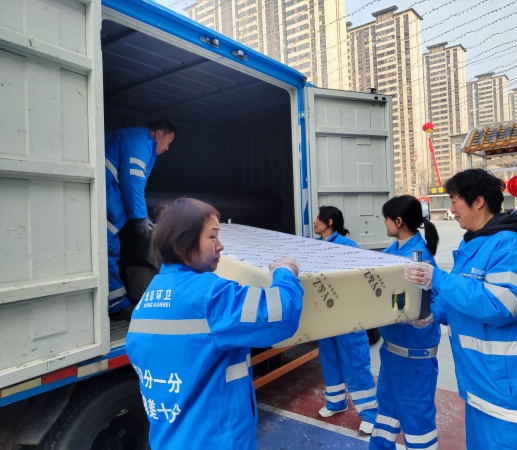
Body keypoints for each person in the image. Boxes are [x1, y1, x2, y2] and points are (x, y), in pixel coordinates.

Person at [125, 198, 304, 449]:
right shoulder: (210, 295)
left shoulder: (148, 297)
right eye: (212, 237)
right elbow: (282, 313)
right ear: (180, 246)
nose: (220, 246)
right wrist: (285, 272)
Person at [405, 169, 517, 449]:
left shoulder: (509, 247)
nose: (452, 209)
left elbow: (500, 305)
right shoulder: (475, 244)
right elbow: (464, 300)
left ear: (478, 202)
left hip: (514, 394)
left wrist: (437, 278)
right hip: (483, 387)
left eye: (455, 200)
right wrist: (432, 315)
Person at [369, 196, 441, 450]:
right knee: (386, 412)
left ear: (398, 221)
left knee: (416, 418)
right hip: (392, 350)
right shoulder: (392, 252)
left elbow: (432, 302)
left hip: (414, 357)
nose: (384, 223)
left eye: (386, 218)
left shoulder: (419, 259)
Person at [313, 206, 378, 434]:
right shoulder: (313, 246)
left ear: (330, 222)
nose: (314, 221)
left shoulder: (347, 246)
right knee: (329, 359)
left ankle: (370, 414)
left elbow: (359, 282)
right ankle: (336, 402)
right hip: (326, 317)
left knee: (355, 363)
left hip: (348, 317)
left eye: (318, 218)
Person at [105, 119, 176, 321]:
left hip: (109, 196)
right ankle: (117, 305)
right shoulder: (139, 141)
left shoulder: (136, 140)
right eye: (169, 142)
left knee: (111, 249)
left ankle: (117, 302)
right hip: (106, 197)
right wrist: (140, 218)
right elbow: (133, 180)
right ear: (159, 134)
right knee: (108, 249)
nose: (167, 148)